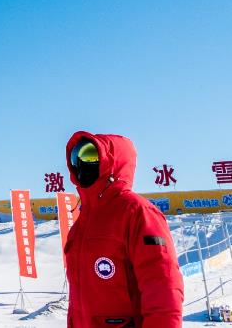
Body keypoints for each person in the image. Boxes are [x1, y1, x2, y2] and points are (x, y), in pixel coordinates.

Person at [64, 131, 183, 328]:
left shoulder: (137, 212)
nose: (82, 162)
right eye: (76, 155)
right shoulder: (81, 224)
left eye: (90, 154)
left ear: (111, 163)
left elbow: (163, 286)